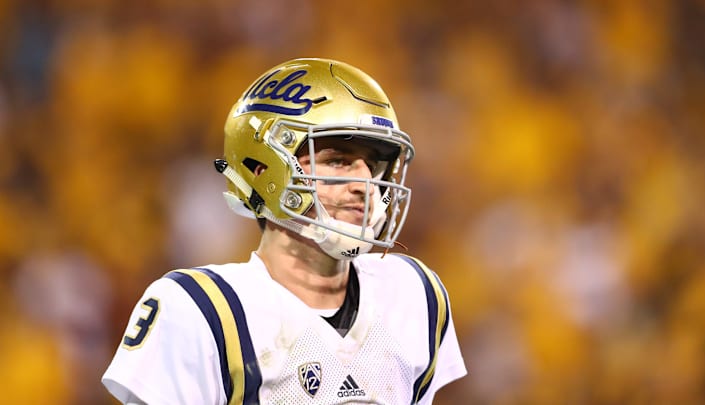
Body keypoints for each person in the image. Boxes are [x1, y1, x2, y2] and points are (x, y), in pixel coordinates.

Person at [102, 57, 467, 404]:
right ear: (264, 171)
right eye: (337, 161)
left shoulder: (414, 294)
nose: (364, 183)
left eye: (372, 166)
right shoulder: (201, 309)